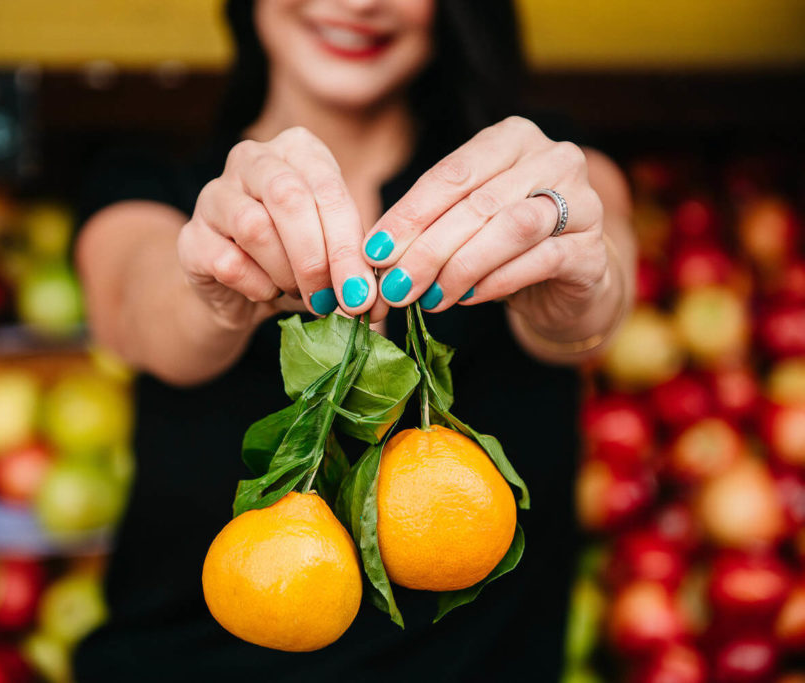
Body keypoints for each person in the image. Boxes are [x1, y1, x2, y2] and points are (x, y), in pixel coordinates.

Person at [74, 0, 635, 680]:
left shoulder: (528, 177)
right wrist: (216, 289)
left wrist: (574, 296)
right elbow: (139, 309)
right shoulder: (153, 185)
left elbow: (602, 297)